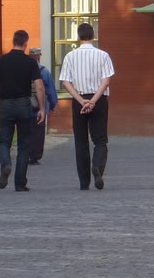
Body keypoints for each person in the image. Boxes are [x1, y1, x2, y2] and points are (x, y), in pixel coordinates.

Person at [0, 29, 44, 192]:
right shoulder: (30, 62)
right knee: (24, 144)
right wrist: (42, 108)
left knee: (3, 141)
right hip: (24, 105)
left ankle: (6, 164)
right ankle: (20, 183)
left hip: (6, 105)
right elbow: (39, 86)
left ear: (13, 42)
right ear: (25, 43)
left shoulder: (1, 61)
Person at [60, 23, 115, 190]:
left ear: (79, 36)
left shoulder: (70, 56)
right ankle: (97, 166)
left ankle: (84, 182)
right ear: (93, 36)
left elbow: (65, 82)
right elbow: (106, 81)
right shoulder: (103, 55)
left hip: (79, 101)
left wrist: (81, 100)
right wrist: (93, 101)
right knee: (100, 140)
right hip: (99, 100)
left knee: (81, 141)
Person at [27, 47, 58, 165]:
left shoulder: (22, 70)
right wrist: (53, 104)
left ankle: (25, 153)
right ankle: (35, 156)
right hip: (39, 107)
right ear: (39, 56)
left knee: (25, 130)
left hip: (23, 106)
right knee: (38, 132)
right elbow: (50, 90)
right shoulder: (44, 71)